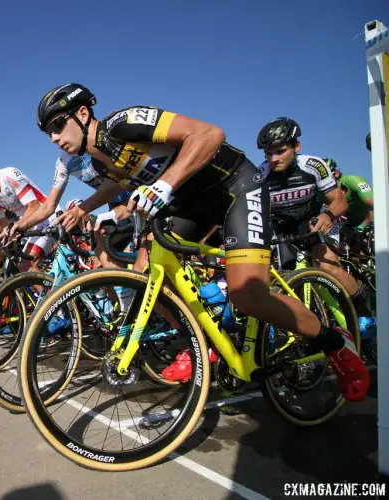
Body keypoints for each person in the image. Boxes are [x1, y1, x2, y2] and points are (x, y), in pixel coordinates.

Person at [36, 83, 368, 401]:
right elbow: (115, 184)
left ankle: (335, 342)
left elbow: (210, 135)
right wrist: (88, 210)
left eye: (58, 125)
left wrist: (164, 185)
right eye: (48, 131)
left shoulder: (124, 123)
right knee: (147, 271)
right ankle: (204, 343)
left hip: (235, 188)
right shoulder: (98, 158)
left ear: (82, 113)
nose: (53, 137)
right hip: (189, 201)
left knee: (247, 294)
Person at [256, 118, 375, 333]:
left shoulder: (313, 165)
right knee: (278, 281)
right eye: (268, 153)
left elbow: (339, 200)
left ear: (296, 147)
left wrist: (328, 216)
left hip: (311, 225)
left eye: (281, 151)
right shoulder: (261, 173)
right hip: (282, 232)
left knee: (328, 267)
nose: (274, 159)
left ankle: (361, 307)